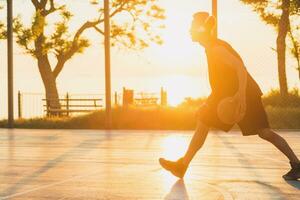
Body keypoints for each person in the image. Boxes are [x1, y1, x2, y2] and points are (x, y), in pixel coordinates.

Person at [159, 12, 300, 180]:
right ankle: (182, 166)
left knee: (264, 132)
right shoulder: (211, 47)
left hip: (245, 94)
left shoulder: (216, 49)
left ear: (201, 29)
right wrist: (210, 101)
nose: (189, 30)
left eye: (192, 27)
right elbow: (224, 80)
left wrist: (241, 95)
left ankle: (297, 164)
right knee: (203, 121)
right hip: (226, 95)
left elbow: (240, 68)